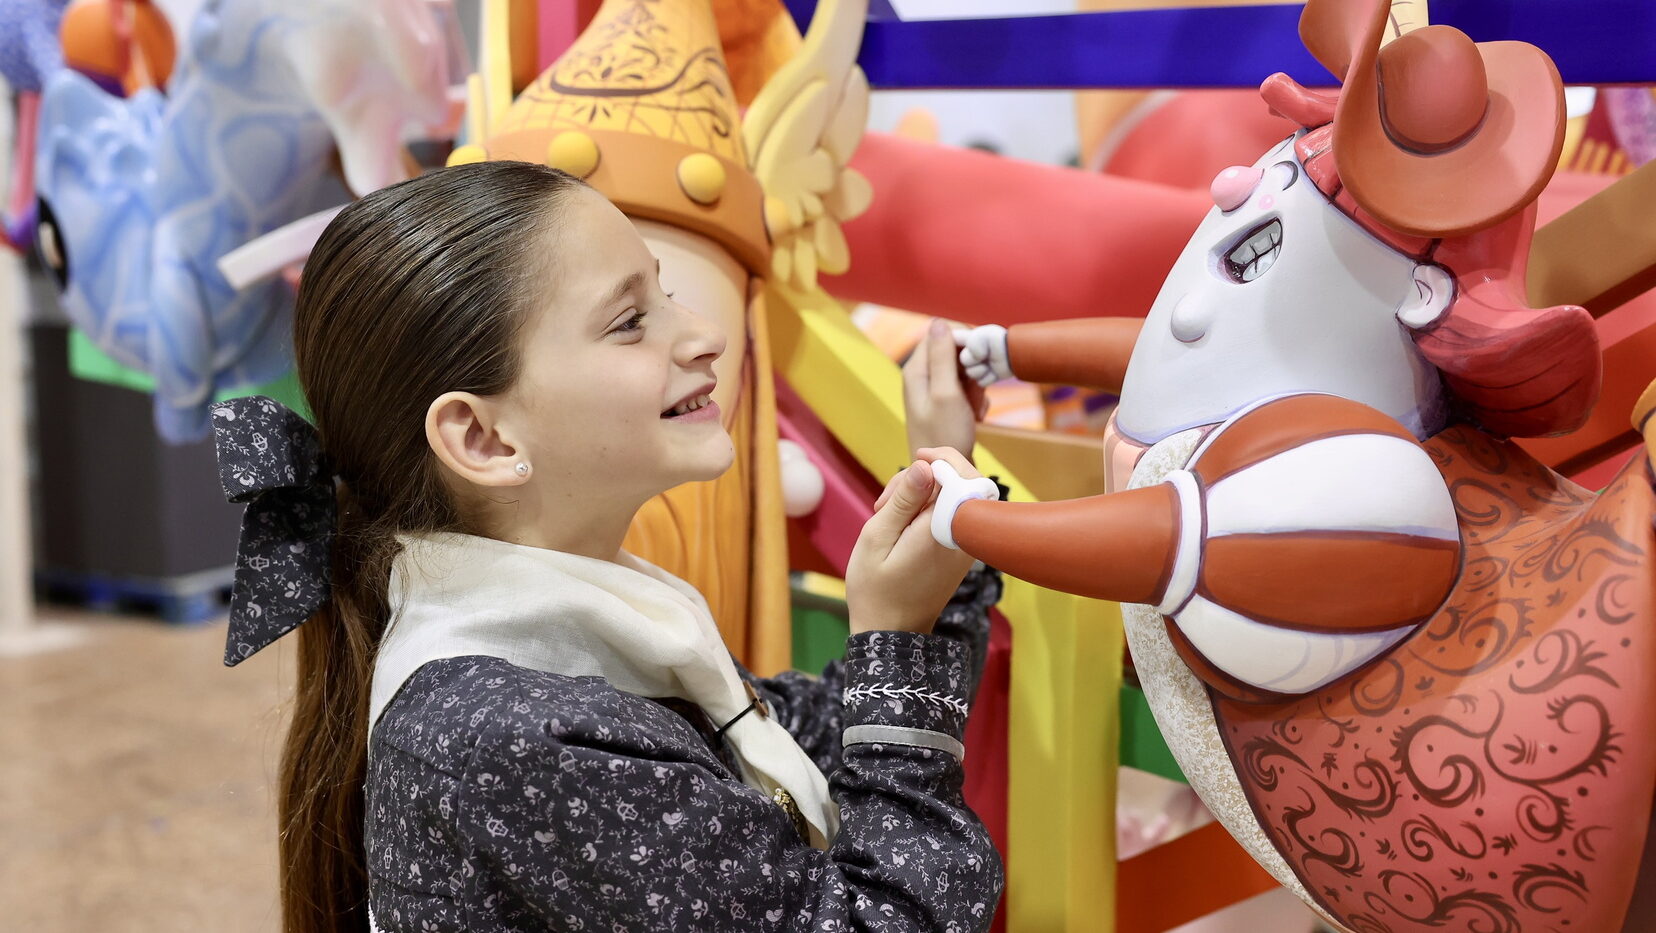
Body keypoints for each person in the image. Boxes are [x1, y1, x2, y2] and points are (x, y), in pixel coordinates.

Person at [208, 160, 1006, 932]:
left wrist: (933, 531)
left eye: (665, 293)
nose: (703, 335)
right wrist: (893, 640)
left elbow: (809, 733)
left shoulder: (568, 637)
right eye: (630, 321)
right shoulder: (508, 732)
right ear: (482, 437)